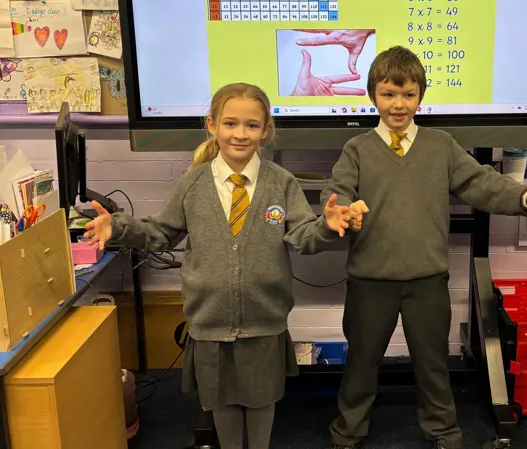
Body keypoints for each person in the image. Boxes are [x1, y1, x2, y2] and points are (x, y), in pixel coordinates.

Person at [83, 83, 354, 449]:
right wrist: (118, 227)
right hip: (210, 321)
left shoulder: (281, 182)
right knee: (221, 402)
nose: (240, 134)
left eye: (252, 126)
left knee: (261, 402)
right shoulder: (193, 183)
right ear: (211, 125)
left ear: (266, 129)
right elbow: (161, 232)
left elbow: (302, 236)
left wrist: (325, 226)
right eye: (230, 124)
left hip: (264, 320)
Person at [320, 45, 527, 449]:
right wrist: (339, 212)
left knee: (433, 365)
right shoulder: (357, 150)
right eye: (388, 94)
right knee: (361, 364)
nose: (399, 104)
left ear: (421, 95)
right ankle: (348, 433)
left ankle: (443, 434)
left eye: (408, 94)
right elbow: (338, 192)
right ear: (371, 95)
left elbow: (483, 184)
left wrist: (525, 198)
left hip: (427, 282)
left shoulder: (441, 146)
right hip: (369, 283)